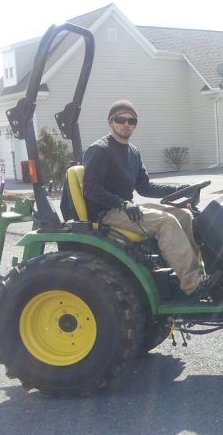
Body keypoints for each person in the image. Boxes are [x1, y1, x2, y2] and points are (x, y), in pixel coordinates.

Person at [82, 100, 212, 298]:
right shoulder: (100, 150)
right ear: (111, 122)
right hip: (107, 212)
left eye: (131, 121)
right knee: (165, 222)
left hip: (127, 209)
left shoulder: (133, 152)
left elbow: (145, 187)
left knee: (184, 215)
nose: (126, 124)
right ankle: (193, 285)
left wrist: (180, 189)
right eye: (121, 119)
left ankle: (200, 275)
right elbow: (91, 189)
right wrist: (121, 203)